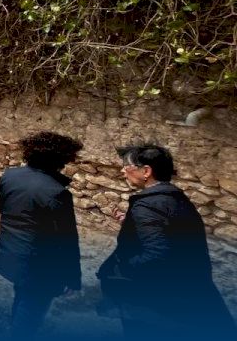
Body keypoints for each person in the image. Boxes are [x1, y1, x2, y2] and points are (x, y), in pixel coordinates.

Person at [97, 144, 235, 335]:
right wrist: (131, 225)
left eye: (126, 166)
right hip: (188, 291)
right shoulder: (174, 197)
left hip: (157, 300)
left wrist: (123, 268)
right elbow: (170, 232)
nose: (122, 171)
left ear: (146, 171)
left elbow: (157, 254)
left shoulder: (148, 206)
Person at [0, 131, 83, 339]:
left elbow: (2, 207)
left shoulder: (10, 176)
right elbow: (68, 239)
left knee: (21, 300)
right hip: (40, 265)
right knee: (30, 312)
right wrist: (73, 278)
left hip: (12, 252)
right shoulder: (57, 192)